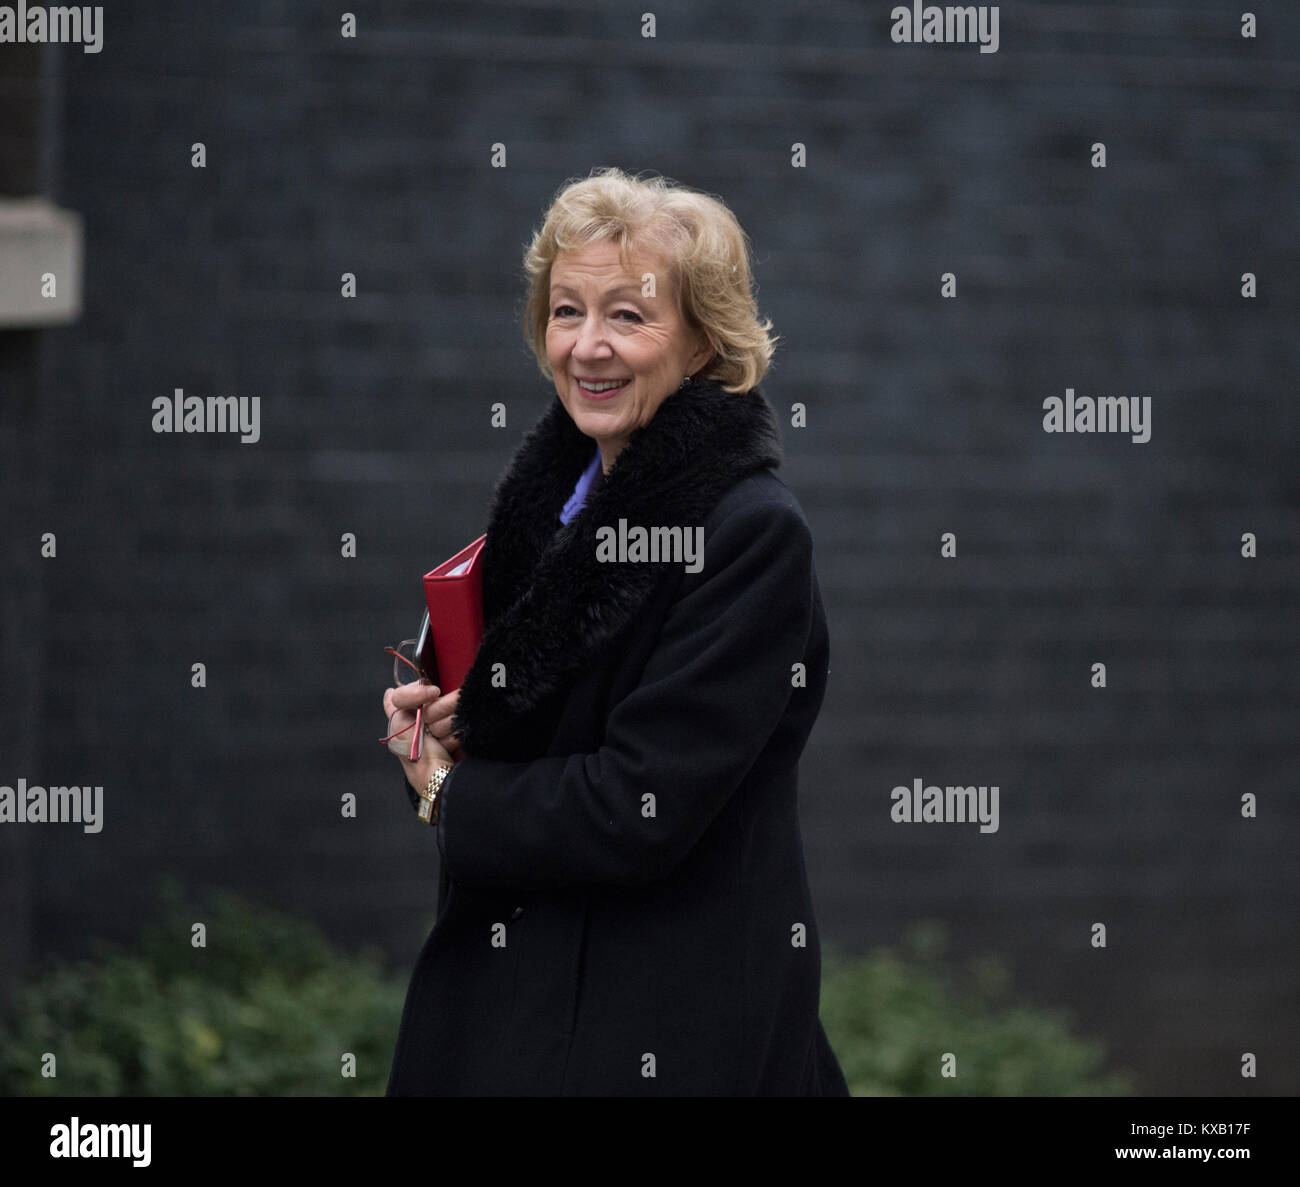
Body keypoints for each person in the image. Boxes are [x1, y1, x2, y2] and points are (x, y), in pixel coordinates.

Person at [382, 166, 849, 1095]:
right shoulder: (548, 506)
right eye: (566, 311)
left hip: (663, 1026)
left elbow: (638, 805)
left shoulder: (751, 533)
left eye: (629, 317)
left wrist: (449, 793)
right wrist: (441, 720)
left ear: (706, 347)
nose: (587, 346)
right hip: (517, 1002)